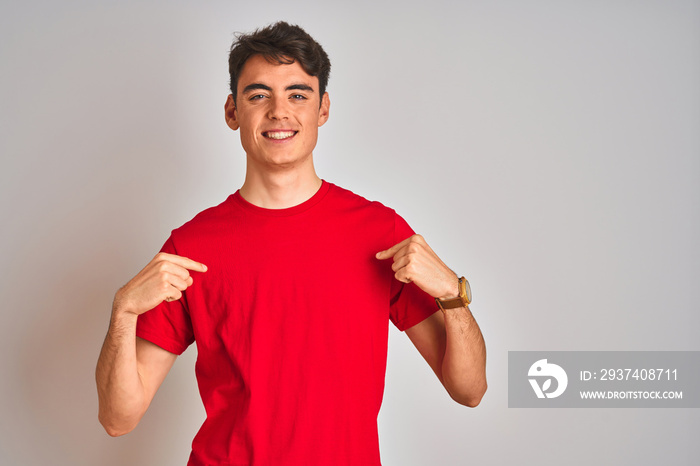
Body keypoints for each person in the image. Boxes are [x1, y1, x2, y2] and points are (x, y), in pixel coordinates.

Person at [95, 21, 487, 466]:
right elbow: (117, 418)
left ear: (322, 109)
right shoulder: (192, 248)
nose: (279, 111)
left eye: (298, 94)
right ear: (232, 112)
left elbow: (469, 390)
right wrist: (123, 311)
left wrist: (453, 295)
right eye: (258, 95)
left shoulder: (380, 233)